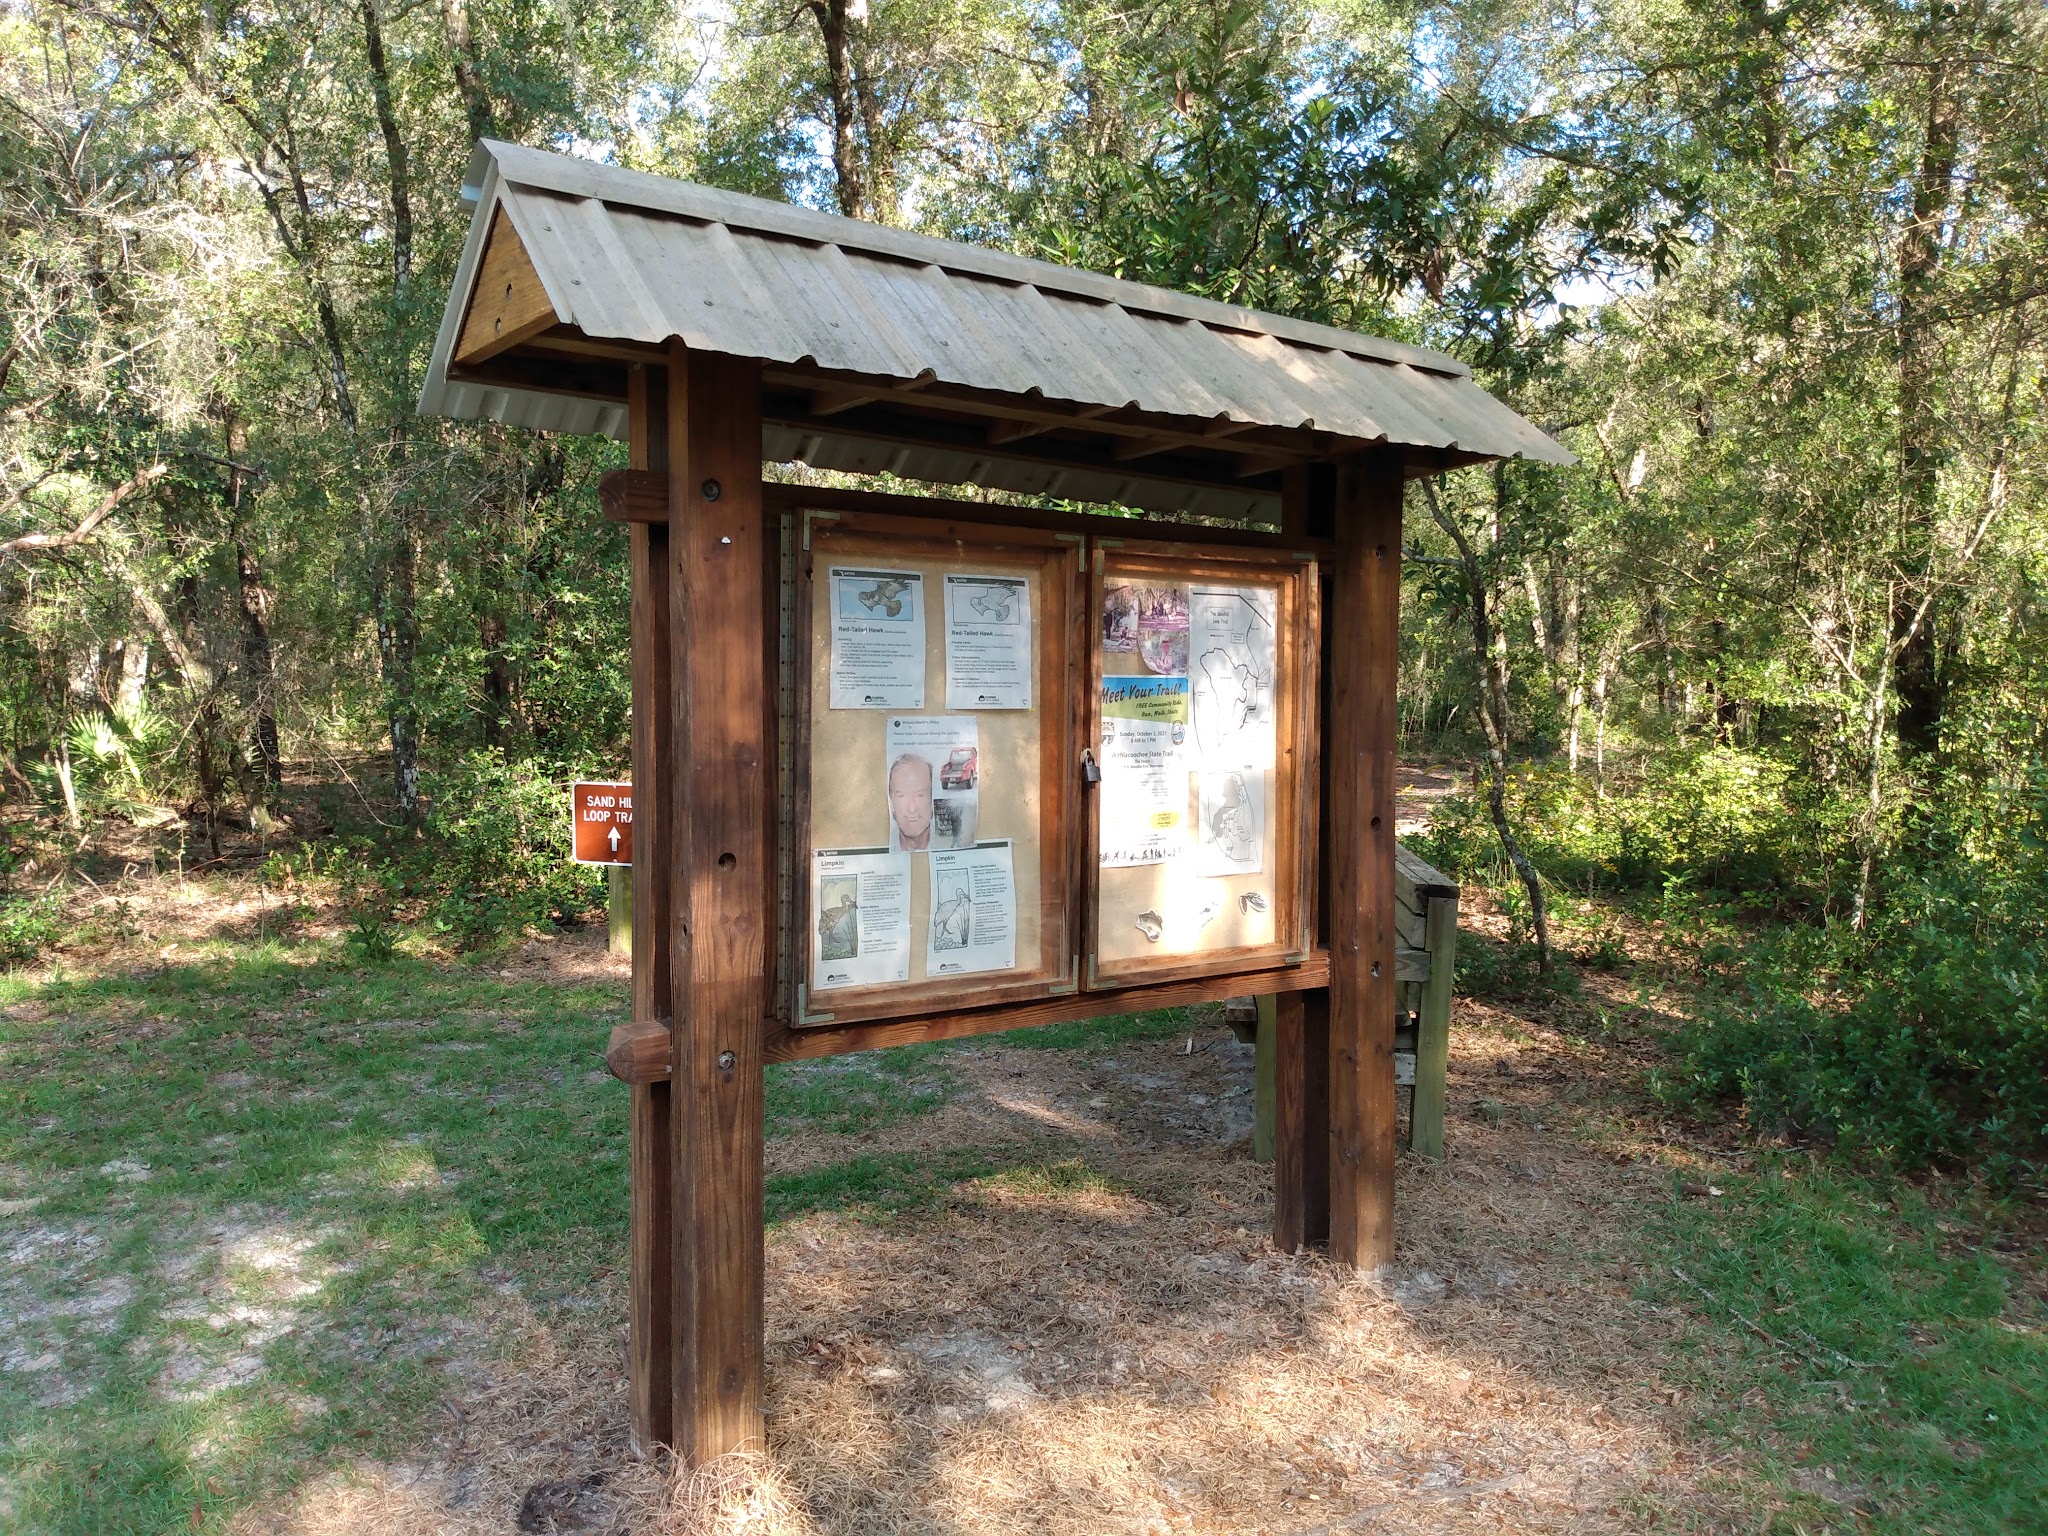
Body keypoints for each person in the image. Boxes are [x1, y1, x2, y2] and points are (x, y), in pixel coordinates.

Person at [887, 753, 934, 851]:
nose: (912, 809)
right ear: (891, 803)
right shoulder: (880, 844)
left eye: (920, 795)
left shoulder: (953, 843)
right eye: (902, 796)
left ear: (931, 800)